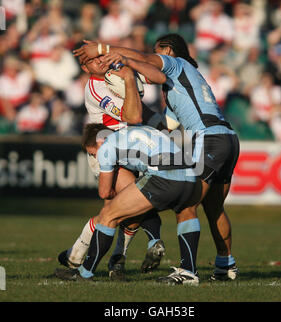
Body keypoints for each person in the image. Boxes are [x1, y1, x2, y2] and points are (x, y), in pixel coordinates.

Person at [74, 33, 240, 282]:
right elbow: (165, 126)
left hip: (208, 140)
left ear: (169, 50)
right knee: (214, 207)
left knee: (186, 205)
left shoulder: (176, 64)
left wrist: (109, 50)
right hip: (228, 138)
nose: (154, 56)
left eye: (157, 51)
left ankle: (187, 272)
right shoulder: (182, 85)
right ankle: (225, 265)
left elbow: (147, 63)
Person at [57, 53, 172, 280]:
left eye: (100, 56)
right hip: (106, 150)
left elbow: (155, 85)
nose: (98, 61)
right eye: (91, 60)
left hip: (128, 149)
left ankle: (80, 256)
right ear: (84, 66)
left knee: (123, 210)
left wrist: (161, 124)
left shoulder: (116, 74)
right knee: (122, 207)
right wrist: (130, 79)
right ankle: (111, 261)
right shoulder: (96, 88)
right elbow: (133, 115)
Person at [55, 123, 201, 285]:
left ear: (100, 141)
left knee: (108, 215)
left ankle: (85, 273)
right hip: (190, 174)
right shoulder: (136, 131)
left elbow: (104, 192)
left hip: (163, 173)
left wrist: (119, 196)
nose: (95, 157)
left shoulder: (106, 147)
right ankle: (189, 271)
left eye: (92, 153)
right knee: (186, 213)